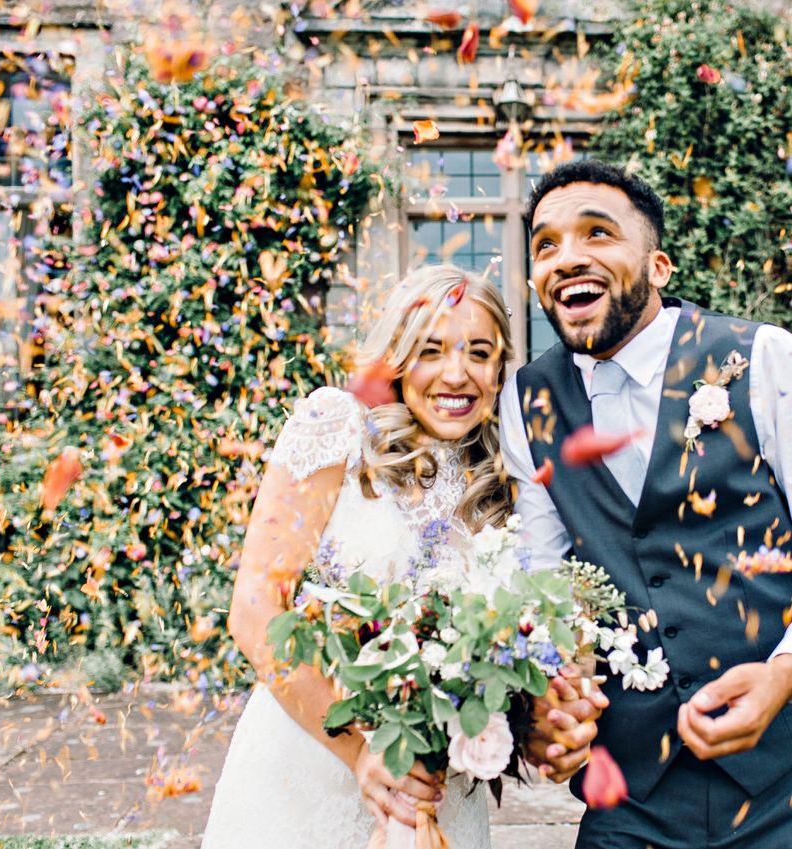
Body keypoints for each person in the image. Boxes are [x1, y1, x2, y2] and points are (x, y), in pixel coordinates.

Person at [500, 159, 792, 848]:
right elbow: (541, 580)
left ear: (657, 266)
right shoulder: (527, 400)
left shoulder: (764, 360)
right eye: (544, 245)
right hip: (629, 796)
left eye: (596, 233)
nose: (566, 257)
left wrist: (783, 674)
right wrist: (548, 696)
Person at [203, 264, 515, 848]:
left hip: (437, 789)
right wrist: (361, 752)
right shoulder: (337, 426)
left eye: (479, 352)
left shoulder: (502, 474)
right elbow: (253, 610)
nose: (457, 373)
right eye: (431, 350)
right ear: (397, 355)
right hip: (309, 763)